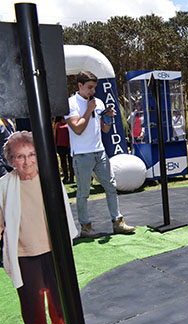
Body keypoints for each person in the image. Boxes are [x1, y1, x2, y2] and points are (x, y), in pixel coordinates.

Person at [0, 131, 77, 324]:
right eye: (20, 156)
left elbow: (64, 215)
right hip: (24, 255)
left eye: (32, 154)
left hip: (53, 250)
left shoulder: (49, 178)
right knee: (31, 304)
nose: (27, 161)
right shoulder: (4, 186)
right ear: (11, 160)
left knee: (60, 298)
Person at [65, 71, 135, 237]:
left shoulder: (99, 103)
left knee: (111, 186)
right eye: (89, 87)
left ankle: (118, 222)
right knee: (83, 193)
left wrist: (108, 118)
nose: (92, 91)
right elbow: (78, 129)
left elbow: (105, 129)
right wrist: (89, 110)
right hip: (82, 154)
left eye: (94, 88)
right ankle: (85, 227)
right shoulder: (70, 103)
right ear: (79, 86)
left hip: (100, 151)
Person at [54, 117, 74, 184]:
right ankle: (65, 177)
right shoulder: (57, 124)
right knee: (63, 163)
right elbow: (55, 134)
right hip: (60, 146)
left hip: (69, 146)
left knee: (70, 162)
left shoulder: (69, 122)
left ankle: (71, 178)